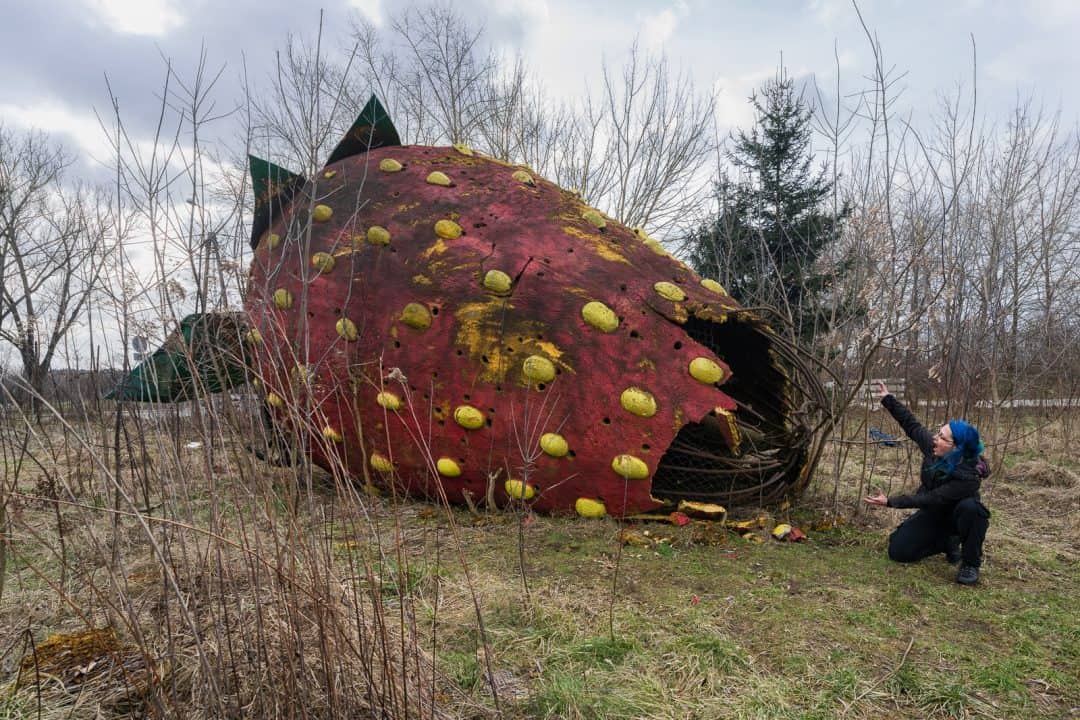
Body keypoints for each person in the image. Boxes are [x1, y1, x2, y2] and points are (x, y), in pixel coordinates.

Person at [863, 381, 991, 585]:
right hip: (934, 513)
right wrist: (888, 399)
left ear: (956, 447)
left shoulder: (969, 475)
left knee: (973, 509)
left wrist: (891, 502)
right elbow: (912, 425)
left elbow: (932, 497)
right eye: (938, 433)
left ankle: (970, 563)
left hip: (958, 516)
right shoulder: (934, 447)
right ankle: (946, 542)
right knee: (898, 551)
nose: (935, 438)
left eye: (942, 437)